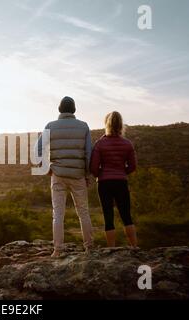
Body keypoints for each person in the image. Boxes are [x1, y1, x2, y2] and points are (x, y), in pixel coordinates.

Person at [37, 96, 93, 257]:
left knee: (58, 213)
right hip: (78, 175)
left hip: (58, 175)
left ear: (59, 109)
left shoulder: (50, 126)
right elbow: (89, 153)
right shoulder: (84, 127)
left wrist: (46, 167)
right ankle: (89, 248)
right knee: (83, 212)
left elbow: (38, 149)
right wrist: (88, 173)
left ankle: (57, 250)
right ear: (74, 109)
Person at [90, 111, 138, 248]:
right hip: (121, 182)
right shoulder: (127, 144)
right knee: (126, 215)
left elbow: (93, 167)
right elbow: (133, 166)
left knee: (108, 215)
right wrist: (122, 172)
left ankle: (111, 248)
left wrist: (101, 174)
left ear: (107, 124)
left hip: (104, 183)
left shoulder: (99, 144)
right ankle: (134, 247)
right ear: (121, 125)